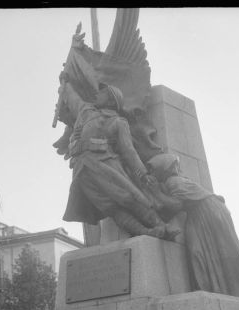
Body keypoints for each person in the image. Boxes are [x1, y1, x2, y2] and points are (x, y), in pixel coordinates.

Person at [58, 66, 179, 240]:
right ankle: (147, 232)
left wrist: (143, 175)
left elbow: (129, 152)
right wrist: (65, 83)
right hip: (82, 170)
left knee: (130, 198)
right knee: (111, 209)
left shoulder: (118, 122)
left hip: (105, 164)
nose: (97, 95)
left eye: (102, 93)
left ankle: (161, 225)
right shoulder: (85, 112)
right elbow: (72, 98)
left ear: (110, 99)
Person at [147, 153, 239, 299]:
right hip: (198, 214)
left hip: (210, 212)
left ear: (163, 169)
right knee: (197, 251)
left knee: (224, 251)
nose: (152, 174)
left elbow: (176, 206)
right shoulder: (172, 183)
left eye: (153, 170)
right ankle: (214, 289)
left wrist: (155, 192)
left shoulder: (174, 182)